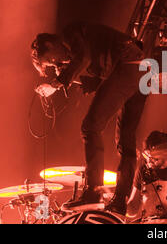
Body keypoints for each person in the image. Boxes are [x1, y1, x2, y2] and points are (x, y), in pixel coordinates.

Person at [31, 21, 147, 214]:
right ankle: (120, 200)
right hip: (142, 71)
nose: (55, 64)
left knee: (90, 127)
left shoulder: (71, 32)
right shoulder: (84, 49)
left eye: (50, 60)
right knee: (125, 141)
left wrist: (57, 83)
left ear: (50, 44)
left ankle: (93, 193)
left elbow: (82, 58)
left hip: (128, 66)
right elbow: (94, 81)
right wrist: (69, 77)